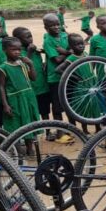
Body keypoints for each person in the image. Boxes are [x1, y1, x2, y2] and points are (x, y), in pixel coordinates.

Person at [0, 36, 40, 135]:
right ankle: (17, 147)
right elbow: (1, 86)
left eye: (19, 49)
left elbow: (33, 78)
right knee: (16, 124)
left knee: (30, 123)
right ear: (4, 50)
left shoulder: (23, 64)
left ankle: (30, 148)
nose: (17, 52)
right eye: (13, 50)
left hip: (29, 97)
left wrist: (31, 64)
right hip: (15, 100)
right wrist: (5, 105)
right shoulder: (3, 68)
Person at [42, 13, 72, 142]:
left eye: (57, 24)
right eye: (52, 25)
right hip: (55, 78)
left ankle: (71, 129)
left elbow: (74, 48)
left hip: (69, 75)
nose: (56, 27)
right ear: (46, 27)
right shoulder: (48, 41)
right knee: (57, 106)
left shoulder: (65, 35)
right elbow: (57, 60)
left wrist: (64, 51)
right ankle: (60, 132)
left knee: (70, 103)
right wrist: (68, 52)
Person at [14, 27, 50, 124]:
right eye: (27, 37)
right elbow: (21, 68)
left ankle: (48, 132)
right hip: (30, 90)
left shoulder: (36, 51)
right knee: (32, 113)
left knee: (45, 111)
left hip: (42, 87)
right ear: (18, 40)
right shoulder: (18, 53)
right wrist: (29, 52)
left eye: (31, 36)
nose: (30, 39)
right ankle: (33, 135)